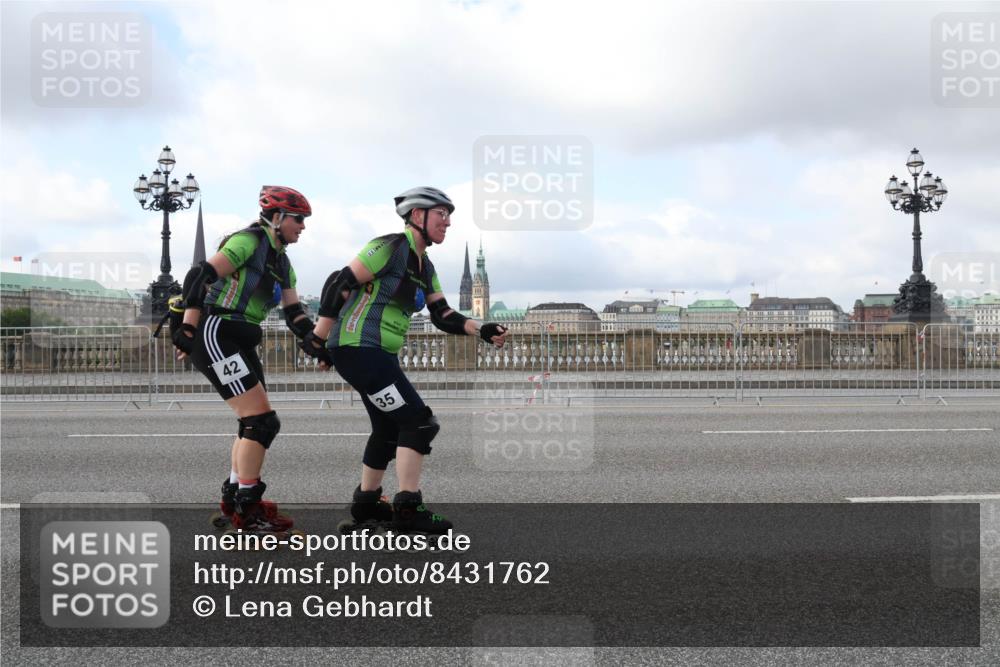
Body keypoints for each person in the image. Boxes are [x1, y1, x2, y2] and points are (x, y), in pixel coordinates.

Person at [303, 186, 508, 535]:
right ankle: (408, 510)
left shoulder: (424, 265)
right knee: (418, 423)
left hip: (377, 353)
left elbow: (442, 314)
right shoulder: (389, 248)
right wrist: (318, 338)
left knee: (388, 427)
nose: (448, 222)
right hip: (359, 347)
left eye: (449, 215)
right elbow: (340, 282)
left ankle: (366, 507)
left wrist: (480, 328)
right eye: (441, 214)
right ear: (417, 216)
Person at [171, 185, 316, 536]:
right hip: (218, 329)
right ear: (278, 217)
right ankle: (248, 512)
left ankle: (236, 497)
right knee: (261, 422)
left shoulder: (282, 262)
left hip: (244, 336)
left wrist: (319, 344)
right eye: (299, 219)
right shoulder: (249, 241)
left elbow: (294, 314)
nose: (303, 227)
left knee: (251, 422)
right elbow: (199, 276)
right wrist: (189, 329)